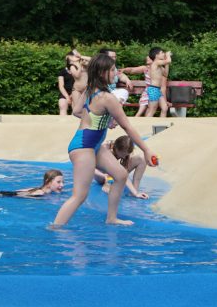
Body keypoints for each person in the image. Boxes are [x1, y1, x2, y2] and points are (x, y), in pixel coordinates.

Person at [53, 53, 155, 227]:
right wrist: (146, 150)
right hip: (84, 147)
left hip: (93, 145)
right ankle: (54, 228)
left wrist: (102, 120)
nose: (116, 73)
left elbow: (77, 111)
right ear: (102, 73)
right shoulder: (108, 98)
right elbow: (127, 127)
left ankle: (112, 218)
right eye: (113, 70)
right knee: (79, 196)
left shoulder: (91, 89)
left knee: (121, 175)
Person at [121, 47, 162, 117]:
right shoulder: (145, 68)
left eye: (149, 58)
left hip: (155, 92)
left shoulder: (159, 69)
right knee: (142, 109)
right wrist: (124, 70)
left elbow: (162, 85)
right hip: (148, 92)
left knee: (150, 108)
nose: (147, 59)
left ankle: (145, 122)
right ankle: (136, 120)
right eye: (147, 59)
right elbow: (132, 70)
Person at [147, 50, 172, 117]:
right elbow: (168, 60)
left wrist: (166, 64)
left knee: (164, 108)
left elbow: (166, 74)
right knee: (152, 110)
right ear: (156, 55)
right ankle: (145, 124)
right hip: (153, 89)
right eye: (162, 53)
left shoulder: (160, 66)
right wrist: (168, 55)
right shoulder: (156, 63)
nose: (163, 54)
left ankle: (161, 124)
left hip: (158, 90)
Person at [57, 52, 81, 116]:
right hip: (65, 92)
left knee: (76, 109)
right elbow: (61, 86)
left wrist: (72, 95)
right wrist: (67, 97)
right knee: (62, 104)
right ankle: (63, 123)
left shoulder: (80, 69)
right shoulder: (62, 71)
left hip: (77, 91)